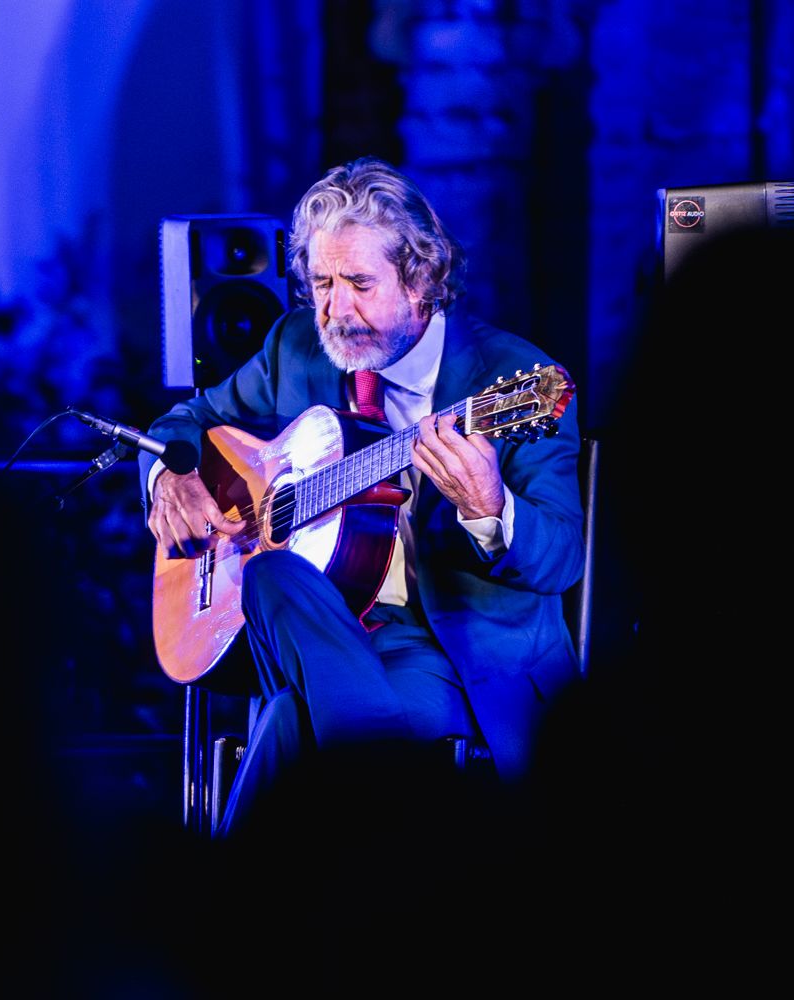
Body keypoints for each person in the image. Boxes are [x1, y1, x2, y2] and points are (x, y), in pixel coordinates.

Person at [140, 157, 584, 834]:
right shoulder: (297, 348)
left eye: (359, 284)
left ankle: (223, 914)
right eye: (320, 283)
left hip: (446, 654)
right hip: (321, 627)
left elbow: (561, 560)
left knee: (292, 717)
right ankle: (379, 819)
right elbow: (182, 425)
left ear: (423, 280)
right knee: (271, 572)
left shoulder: (519, 380)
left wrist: (490, 511)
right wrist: (170, 476)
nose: (335, 311)